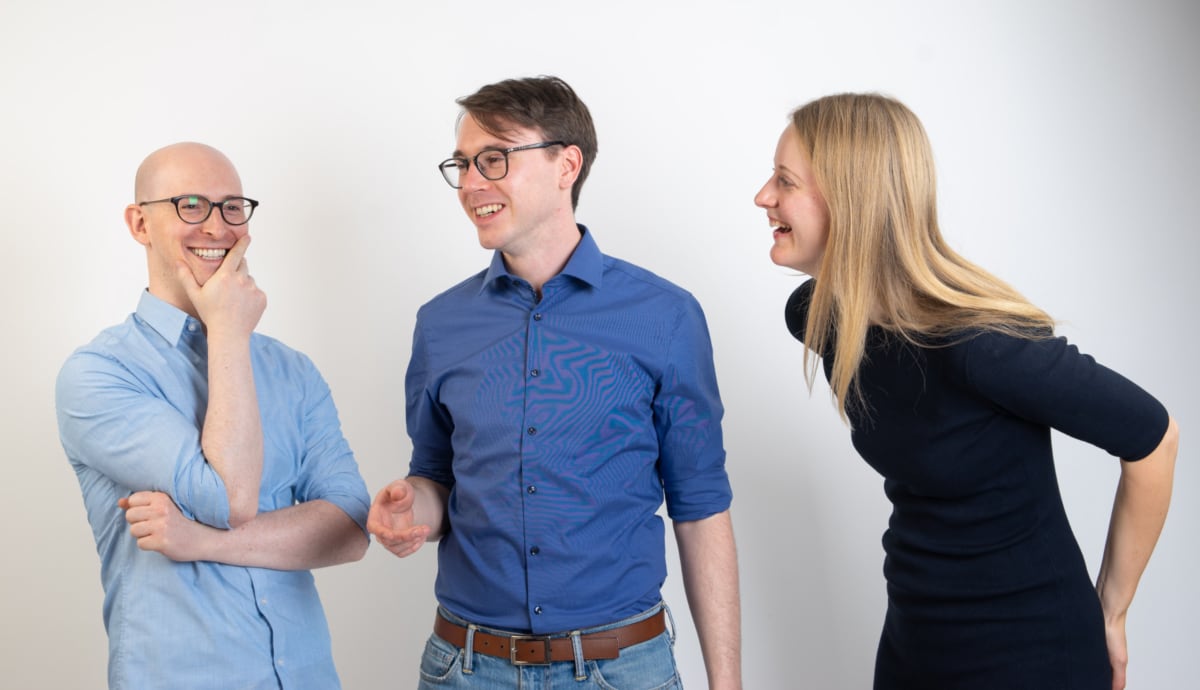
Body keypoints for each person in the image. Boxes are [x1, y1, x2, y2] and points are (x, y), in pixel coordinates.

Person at [755, 92, 1178, 690]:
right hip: (914, 643)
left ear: (853, 199)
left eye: (783, 180)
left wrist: (1111, 608)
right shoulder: (821, 317)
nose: (762, 196)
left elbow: (1154, 438)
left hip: (1031, 655)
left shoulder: (978, 345)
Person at [367, 76, 741, 689]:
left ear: (567, 164)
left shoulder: (665, 316)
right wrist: (411, 509)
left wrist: (727, 684)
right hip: (465, 669)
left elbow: (700, 508)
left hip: (622, 670)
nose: (470, 184)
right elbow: (435, 476)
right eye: (461, 165)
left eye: (493, 159)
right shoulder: (439, 324)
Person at [55, 142, 371, 690]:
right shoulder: (99, 374)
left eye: (232, 207)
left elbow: (349, 529)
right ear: (140, 224)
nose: (217, 227)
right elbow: (229, 498)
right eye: (191, 205)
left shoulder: (292, 370)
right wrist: (226, 327)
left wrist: (201, 541)